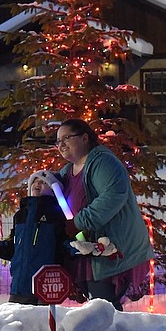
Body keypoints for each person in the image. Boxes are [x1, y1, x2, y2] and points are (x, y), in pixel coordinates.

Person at [53, 118, 153, 310]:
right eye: (58, 141)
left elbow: (112, 196)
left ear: (84, 138)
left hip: (111, 249)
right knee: (97, 307)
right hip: (86, 252)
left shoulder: (102, 162)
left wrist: (78, 223)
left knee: (105, 308)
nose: (61, 144)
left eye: (66, 138)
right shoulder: (66, 172)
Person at [0, 170, 75, 305]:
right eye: (35, 181)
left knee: (40, 324)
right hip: (18, 286)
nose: (38, 184)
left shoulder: (56, 214)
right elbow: (13, 247)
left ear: (53, 190)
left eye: (44, 182)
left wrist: (78, 246)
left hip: (44, 287)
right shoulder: (20, 215)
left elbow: (64, 244)